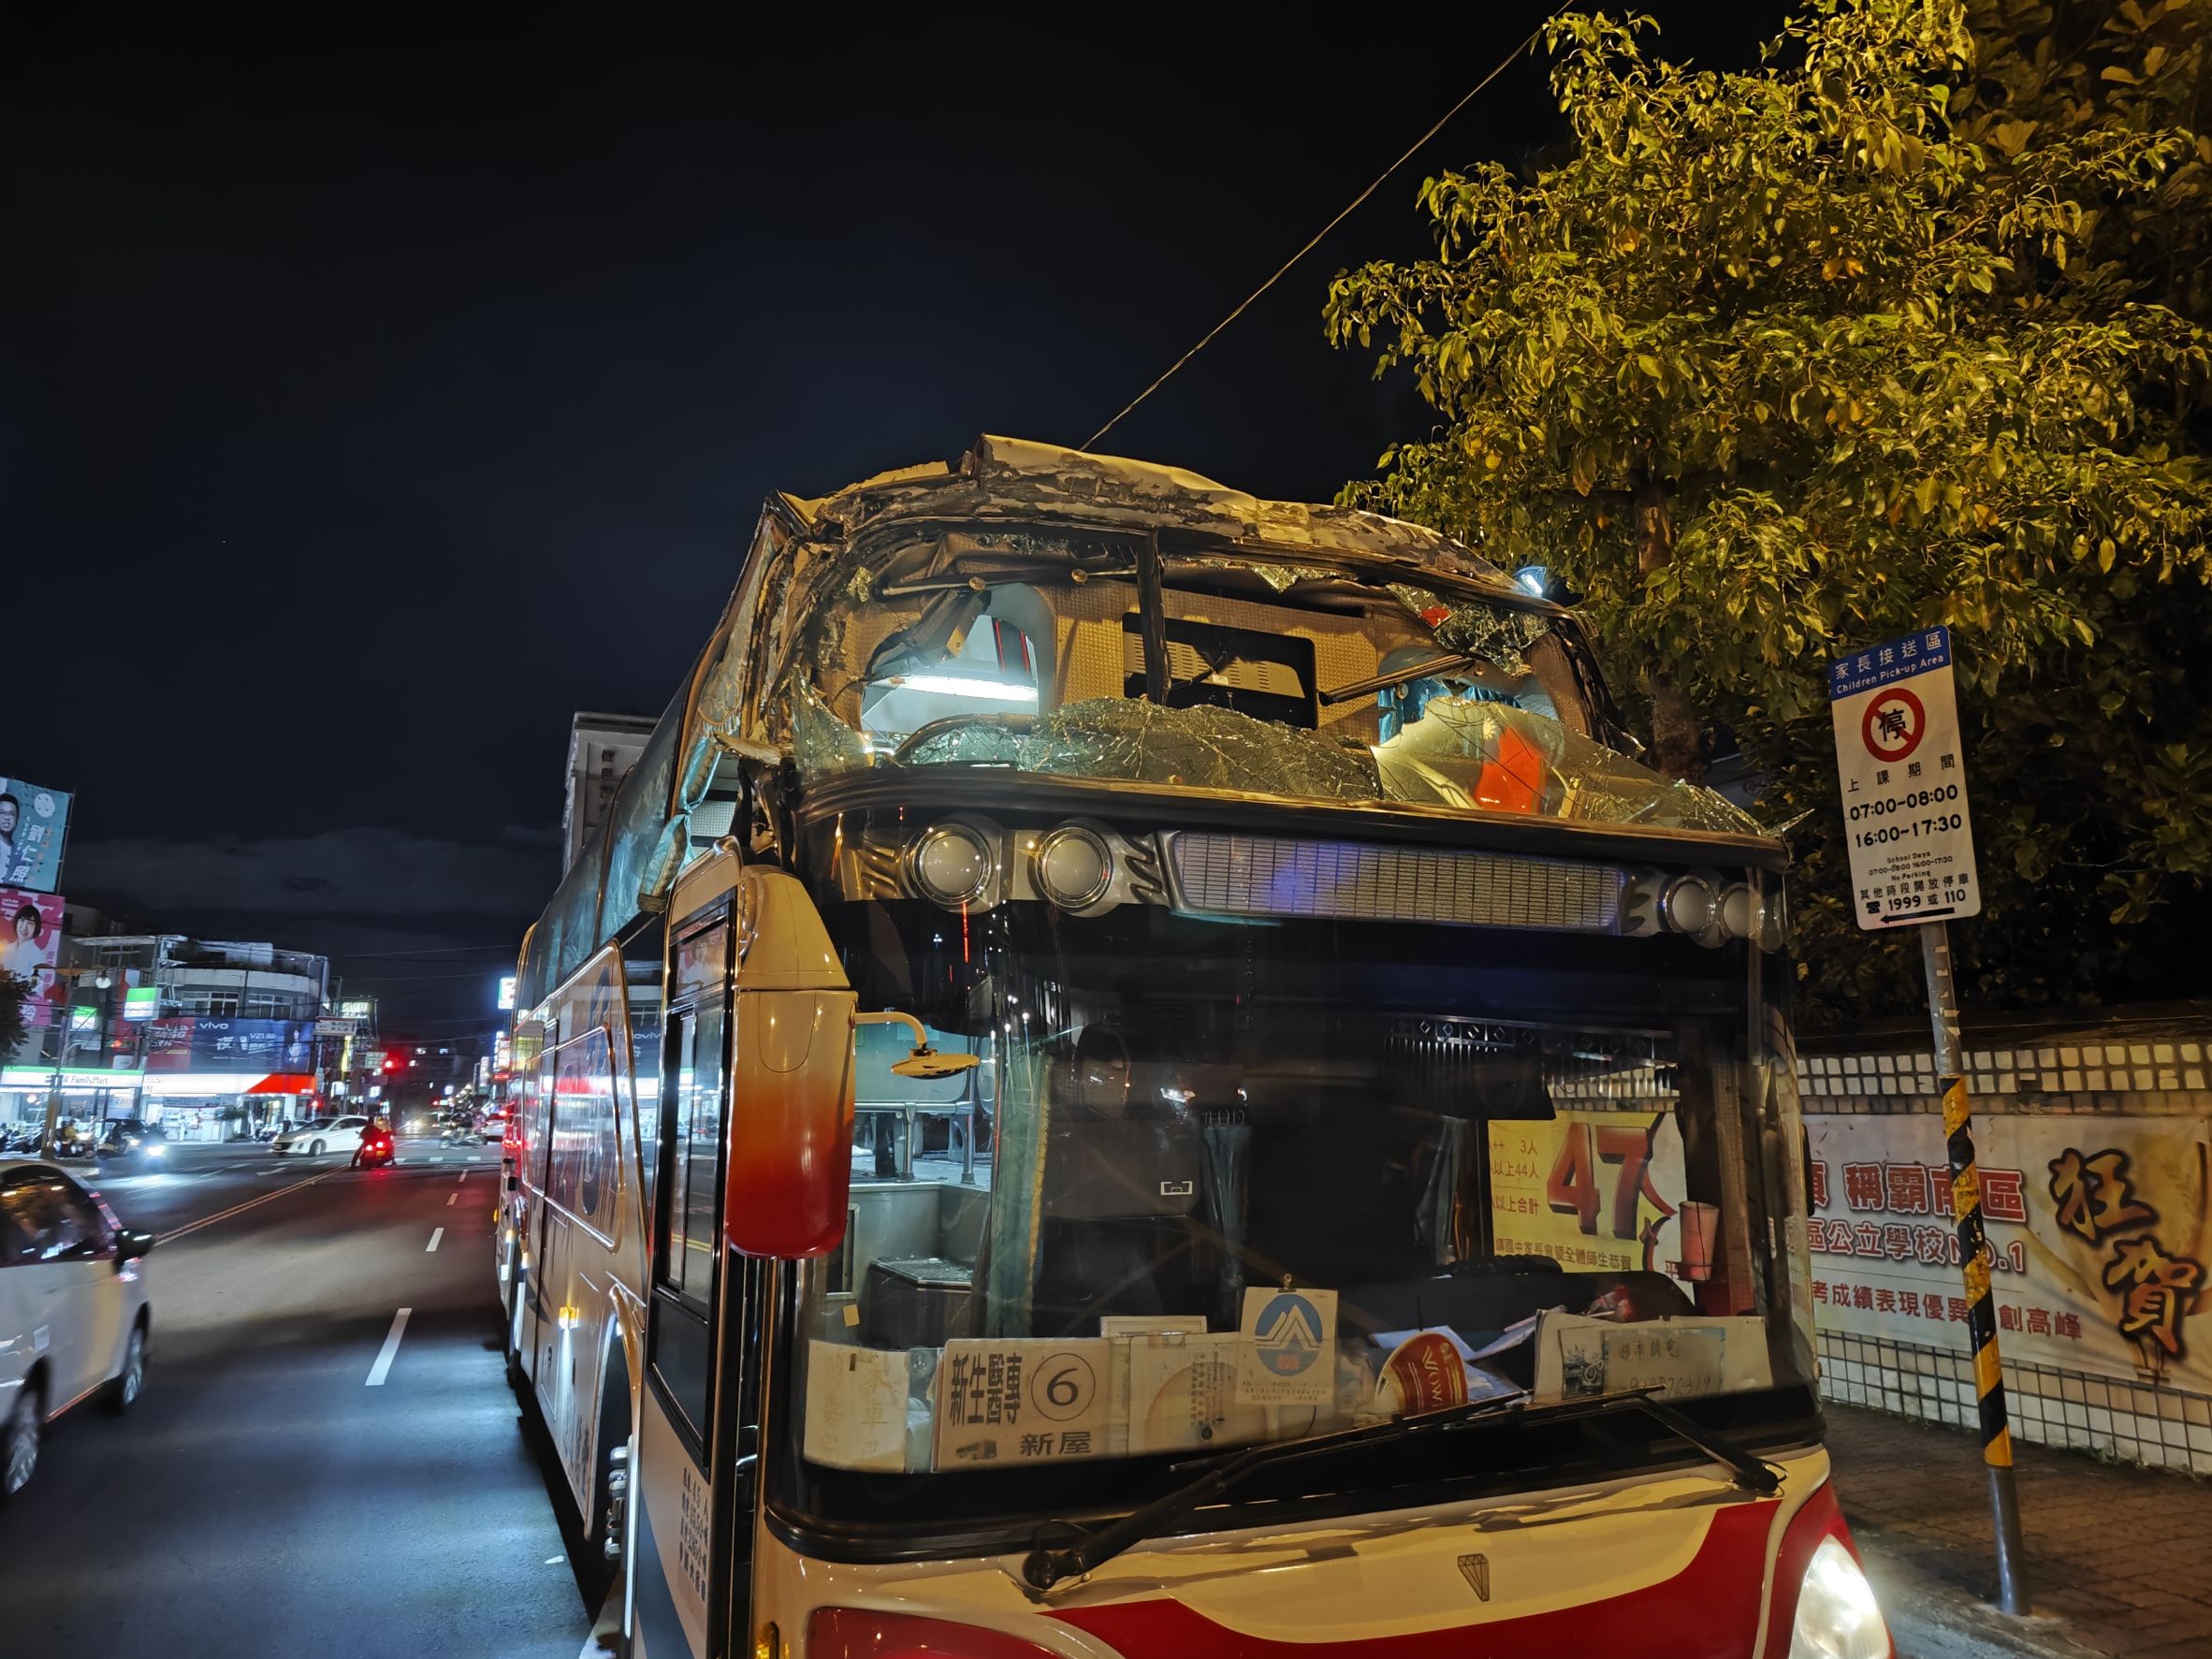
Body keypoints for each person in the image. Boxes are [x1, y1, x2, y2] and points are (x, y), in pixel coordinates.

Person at [1, 902, 47, 979]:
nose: (24, 927)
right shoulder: (7, 949)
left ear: (36, 928)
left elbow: (35, 985)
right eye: (22, 920)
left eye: (30, 923)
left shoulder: (38, 956)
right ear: (16, 922)